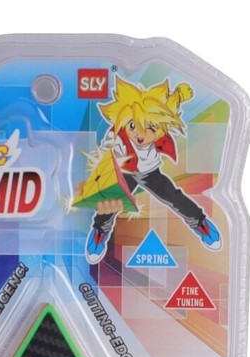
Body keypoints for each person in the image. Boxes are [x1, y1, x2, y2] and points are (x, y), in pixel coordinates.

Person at [85, 76, 222, 265]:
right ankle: (100, 231)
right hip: (125, 172)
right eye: (133, 126)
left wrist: (179, 95)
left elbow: (166, 108)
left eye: (149, 128)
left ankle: (200, 223)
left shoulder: (160, 125)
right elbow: (107, 147)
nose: (140, 134)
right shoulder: (118, 132)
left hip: (150, 173)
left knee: (174, 197)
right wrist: (110, 154)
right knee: (111, 202)